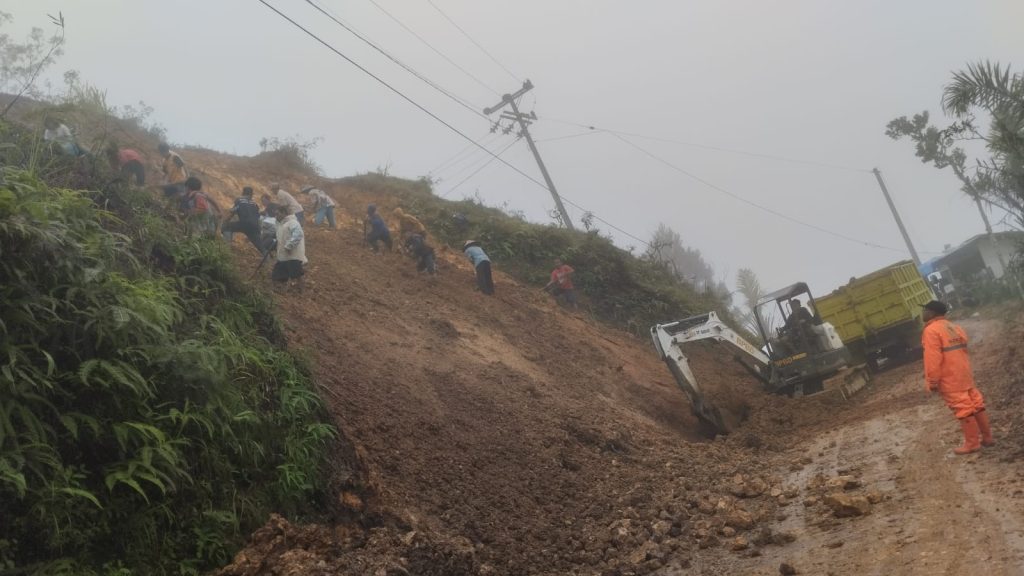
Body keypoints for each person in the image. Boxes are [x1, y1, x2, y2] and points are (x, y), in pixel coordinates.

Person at [921, 300, 994, 455]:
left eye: (925, 310)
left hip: (950, 376)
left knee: (963, 408)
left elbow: (933, 358)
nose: (923, 313)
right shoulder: (954, 327)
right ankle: (987, 438)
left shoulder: (931, 331)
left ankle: (972, 443)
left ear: (932, 313)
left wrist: (932, 380)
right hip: (964, 373)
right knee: (976, 403)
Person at [272, 204, 307, 292]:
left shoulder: (292, 222)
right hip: (283, 255)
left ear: (284, 213)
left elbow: (298, 234)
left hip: (292, 254)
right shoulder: (280, 225)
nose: (276, 216)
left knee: (297, 274)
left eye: (278, 214)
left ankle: (302, 291)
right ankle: (283, 290)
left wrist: (289, 246)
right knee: (278, 274)